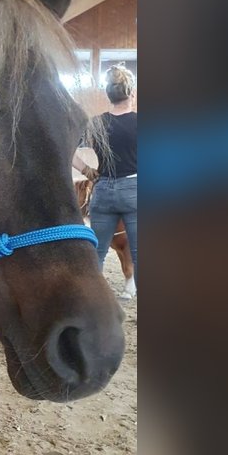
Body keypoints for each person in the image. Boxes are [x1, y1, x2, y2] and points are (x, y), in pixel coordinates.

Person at [75, 64, 137, 299]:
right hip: (133, 190)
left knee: (97, 253)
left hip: (102, 190)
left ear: (108, 94)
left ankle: (90, 300)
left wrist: (87, 170)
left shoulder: (96, 123)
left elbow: (68, 150)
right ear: (131, 93)